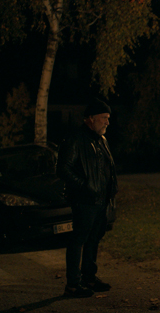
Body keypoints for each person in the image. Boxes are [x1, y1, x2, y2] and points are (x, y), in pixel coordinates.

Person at [57, 98, 118, 298]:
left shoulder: (102, 140)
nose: (107, 122)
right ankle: (73, 284)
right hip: (85, 201)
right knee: (79, 240)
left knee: (93, 239)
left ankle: (89, 277)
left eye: (108, 118)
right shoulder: (76, 139)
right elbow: (63, 168)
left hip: (101, 201)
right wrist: (84, 186)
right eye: (104, 118)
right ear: (90, 119)